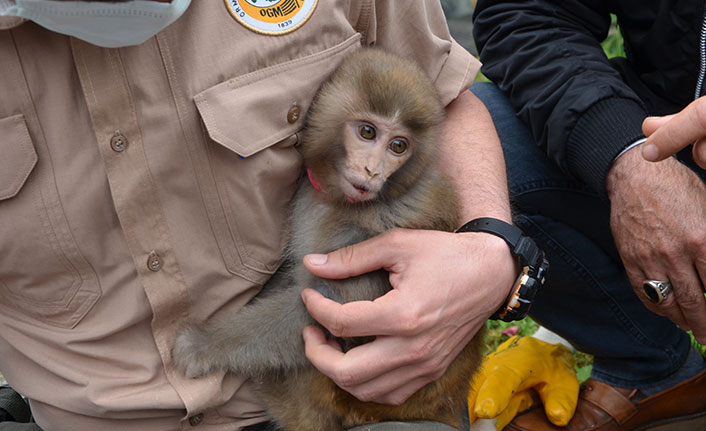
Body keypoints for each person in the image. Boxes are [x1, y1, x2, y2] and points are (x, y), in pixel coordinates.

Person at [0, 1, 526, 429]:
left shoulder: (381, 189)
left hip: (335, 402)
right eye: (364, 134)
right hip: (74, 410)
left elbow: (445, 96)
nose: (371, 166)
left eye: (392, 147)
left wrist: (492, 250)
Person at [471, 0, 706, 430]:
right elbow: (526, 12)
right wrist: (625, 156)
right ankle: (649, 367)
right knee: (471, 147)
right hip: (667, 136)